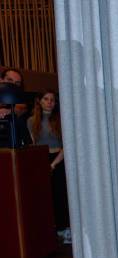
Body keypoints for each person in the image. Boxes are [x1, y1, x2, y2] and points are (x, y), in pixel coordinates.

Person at [27, 90, 70, 242]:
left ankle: (63, 229)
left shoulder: (60, 119)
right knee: (44, 196)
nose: (49, 102)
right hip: (39, 159)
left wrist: (53, 164)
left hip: (59, 159)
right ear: (39, 101)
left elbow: (66, 146)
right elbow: (33, 143)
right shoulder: (31, 121)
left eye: (52, 99)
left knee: (60, 195)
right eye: (46, 99)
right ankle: (47, 231)